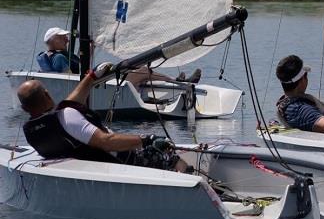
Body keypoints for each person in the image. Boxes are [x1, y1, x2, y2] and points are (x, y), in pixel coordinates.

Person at [17, 64, 186, 171]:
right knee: (168, 153)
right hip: (122, 162)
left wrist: (92, 77)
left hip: (85, 164)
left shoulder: (31, 130)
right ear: (47, 95)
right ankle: (194, 183)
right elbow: (106, 141)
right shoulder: (67, 117)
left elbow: (70, 103)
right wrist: (147, 139)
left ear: (25, 108)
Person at [35, 26, 201, 86]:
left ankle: (176, 82)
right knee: (142, 70)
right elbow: (69, 80)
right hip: (95, 85)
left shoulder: (59, 55)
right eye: (62, 37)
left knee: (138, 70)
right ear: (53, 40)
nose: (66, 38)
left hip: (94, 81)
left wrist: (90, 50)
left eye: (66, 36)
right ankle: (178, 82)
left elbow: (80, 69)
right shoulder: (59, 58)